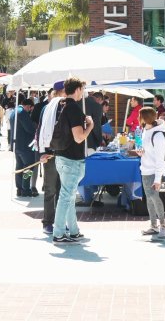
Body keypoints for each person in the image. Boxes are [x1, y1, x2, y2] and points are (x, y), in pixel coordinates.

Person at [52, 78, 93, 244]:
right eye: (82, 89)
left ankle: (73, 231)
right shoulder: (73, 108)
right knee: (66, 197)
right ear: (77, 89)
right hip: (71, 159)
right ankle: (59, 233)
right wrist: (90, 125)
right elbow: (79, 138)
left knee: (67, 197)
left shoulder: (61, 105)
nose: (83, 92)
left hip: (61, 157)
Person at [37, 81, 66, 235]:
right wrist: (43, 151)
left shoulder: (67, 107)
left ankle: (60, 222)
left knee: (63, 190)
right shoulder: (47, 109)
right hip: (50, 154)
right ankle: (48, 222)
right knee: (50, 189)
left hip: (64, 154)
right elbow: (40, 130)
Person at [137, 107, 165, 239]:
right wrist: (141, 152)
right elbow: (148, 151)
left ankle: (163, 226)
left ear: (144, 117)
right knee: (150, 199)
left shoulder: (158, 135)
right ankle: (154, 226)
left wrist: (157, 179)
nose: (138, 119)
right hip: (145, 169)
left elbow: (160, 159)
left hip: (153, 172)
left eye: (140, 116)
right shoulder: (146, 130)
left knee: (154, 198)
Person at [10, 98, 36, 197]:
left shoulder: (14, 111)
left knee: (19, 167)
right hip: (25, 145)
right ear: (28, 106)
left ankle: (19, 188)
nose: (30, 111)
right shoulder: (22, 113)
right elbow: (29, 129)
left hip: (17, 144)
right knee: (29, 167)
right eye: (30, 109)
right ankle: (26, 189)